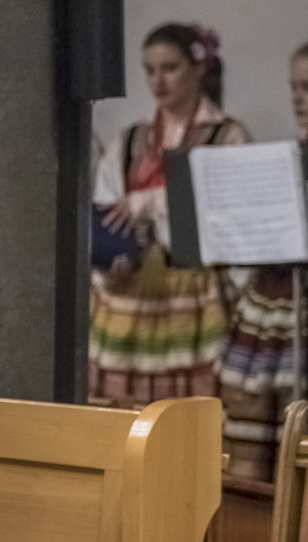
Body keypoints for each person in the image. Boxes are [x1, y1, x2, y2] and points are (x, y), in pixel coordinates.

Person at [89, 22, 249, 407]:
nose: (158, 81)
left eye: (170, 68)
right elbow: (107, 207)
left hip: (195, 288)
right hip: (129, 288)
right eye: (150, 70)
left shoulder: (227, 136)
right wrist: (108, 263)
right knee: (121, 407)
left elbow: (226, 211)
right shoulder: (130, 139)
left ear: (199, 68)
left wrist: (149, 202)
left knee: (191, 407)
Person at [220, 37, 308, 483]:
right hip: (271, 305)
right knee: (251, 438)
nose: (298, 99)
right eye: (293, 88)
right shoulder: (287, 154)